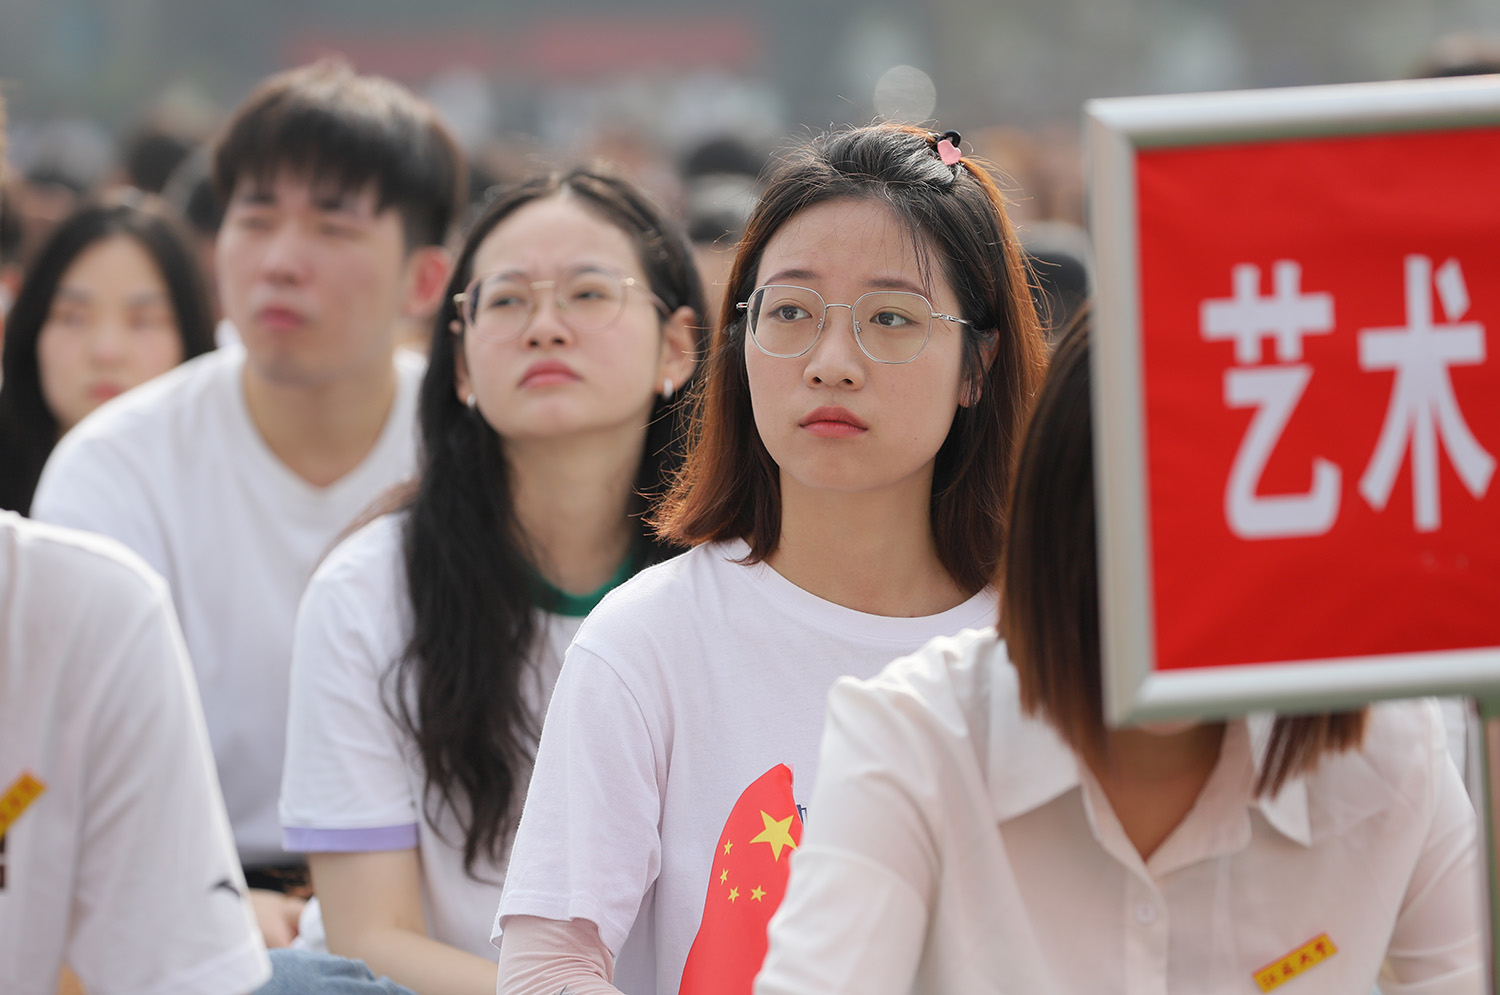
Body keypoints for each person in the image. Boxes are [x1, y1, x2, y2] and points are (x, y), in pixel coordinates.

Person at [754, 313, 1483, 994]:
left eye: (1225, 552)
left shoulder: (1387, 750)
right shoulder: (914, 741)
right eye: (1135, 548)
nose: (1179, 613)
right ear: (1052, 534)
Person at [493, 124, 1047, 995]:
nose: (831, 363)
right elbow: (547, 965)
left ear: (978, 363)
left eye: (891, 318)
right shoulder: (649, 640)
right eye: (789, 312)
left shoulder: (1044, 651)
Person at [29, 60, 462, 942]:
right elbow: (55, 759)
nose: (279, 260)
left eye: (332, 225)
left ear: (424, 280)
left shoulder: (471, 458)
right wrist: (214, 898)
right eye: (254, 218)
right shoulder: (115, 465)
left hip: (434, 906)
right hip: (175, 894)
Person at [269, 166, 703, 994]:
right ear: (461, 364)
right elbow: (370, 936)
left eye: (586, 294)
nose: (545, 326)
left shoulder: (740, 578)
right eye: (505, 301)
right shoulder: (368, 589)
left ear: (676, 343)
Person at [0, 195, 215, 514]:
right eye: (74, 317)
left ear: (189, 334)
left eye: (143, 321)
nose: (106, 352)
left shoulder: (221, 505)